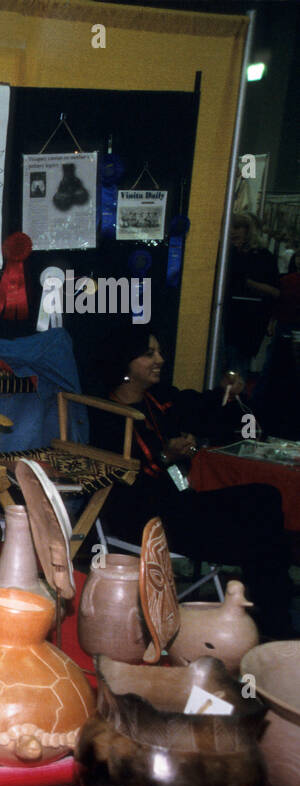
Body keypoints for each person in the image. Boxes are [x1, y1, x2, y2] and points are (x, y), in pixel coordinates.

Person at [89, 327, 294, 640]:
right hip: (144, 518)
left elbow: (203, 408)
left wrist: (228, 390)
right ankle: (274, 621)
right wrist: (165, 457)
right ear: (124, 363)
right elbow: (128, 486)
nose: (160, 359)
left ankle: (271, 609)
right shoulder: (107, 416)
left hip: (180, 503)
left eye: (159, 351)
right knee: (260, 539)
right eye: (149, 354)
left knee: (265, 496)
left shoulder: (158, 399)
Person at [223, 212, 281, 378]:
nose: (232, 231)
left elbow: (276, 292)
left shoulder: (264, 256)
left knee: (238, 364)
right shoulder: (226, 252)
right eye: (230, 227)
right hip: (226, 316)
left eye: (237, 227)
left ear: (248, 230)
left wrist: (248, 283)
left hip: (250, 319)